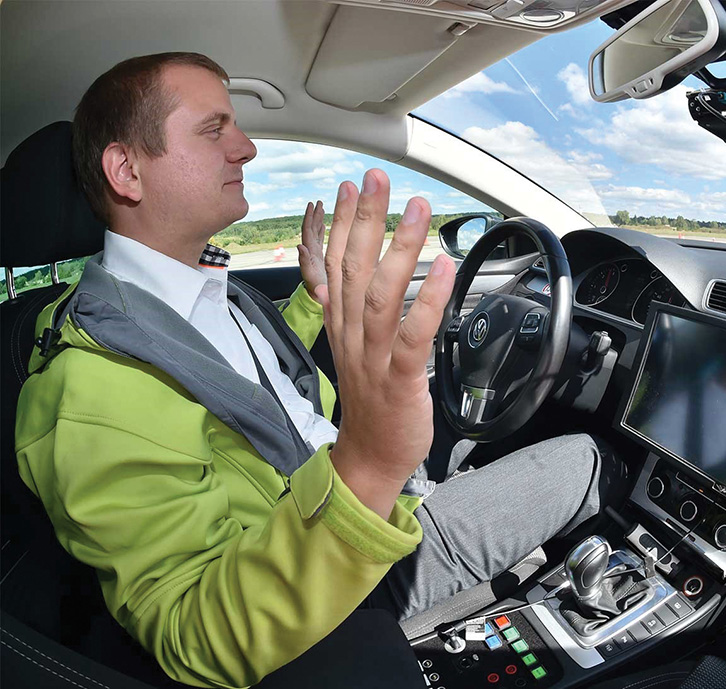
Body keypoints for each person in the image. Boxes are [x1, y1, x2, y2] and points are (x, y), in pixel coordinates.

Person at [15, 52, 627, 688]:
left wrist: (313, 301)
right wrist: (369, 468)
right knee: (587, 460)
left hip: (348, 486)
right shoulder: (89, 392)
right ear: (127, 171)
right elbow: (194, 633)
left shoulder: (194, 291)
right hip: (340, 558)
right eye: (214, 128)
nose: (246, 147)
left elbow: (242, 379)